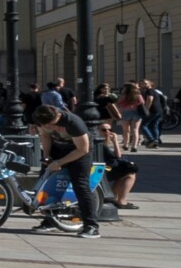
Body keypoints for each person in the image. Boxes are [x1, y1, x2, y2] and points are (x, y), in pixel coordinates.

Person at [29, 99, 101, 238]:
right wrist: (47, 156)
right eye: (47, 125)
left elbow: (83, 149)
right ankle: (50, 221)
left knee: (81, 186)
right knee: (46, 184)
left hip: (79, 152)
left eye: (53, 124)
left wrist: (60, 162)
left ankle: (91, 226)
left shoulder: (73, 123)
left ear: (57, 115)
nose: (51, 127)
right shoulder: (39, 118)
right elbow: (45, 136)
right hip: (58, 149)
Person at [91, 115, 141, 211]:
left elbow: (118, 156)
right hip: (102, 170)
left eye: (109, 129)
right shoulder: (98, 143)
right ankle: (121, 201)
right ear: (97, 130)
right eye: (104, 130)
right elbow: (118, 157)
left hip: (104, 167)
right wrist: (115, 143)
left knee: (125, 174)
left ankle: (115, 198)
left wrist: (114, 142)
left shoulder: (102, 142)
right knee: (130, 174)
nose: (108, 132)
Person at [116, 83, 146, 153]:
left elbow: (119, 103)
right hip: (136, 113)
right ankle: (134, 146)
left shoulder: (123, 96)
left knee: (126, 130)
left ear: (126, 88)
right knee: (135, 130)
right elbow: (142, 103)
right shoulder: (138, 95)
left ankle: (126, 145)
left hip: (125, 113)